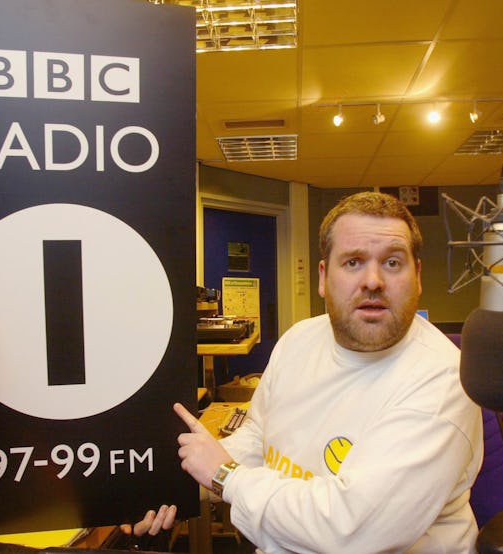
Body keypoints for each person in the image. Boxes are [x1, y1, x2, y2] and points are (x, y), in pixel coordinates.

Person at [175, 191, 484, 553]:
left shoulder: (443, 381)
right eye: (353, 262)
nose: (373, 280)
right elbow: (259, 436)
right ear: (323, 276)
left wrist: (226, 477)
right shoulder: (299, 340)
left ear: (417, 277)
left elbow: (350, 530)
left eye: (393, 263)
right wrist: (184, 481)